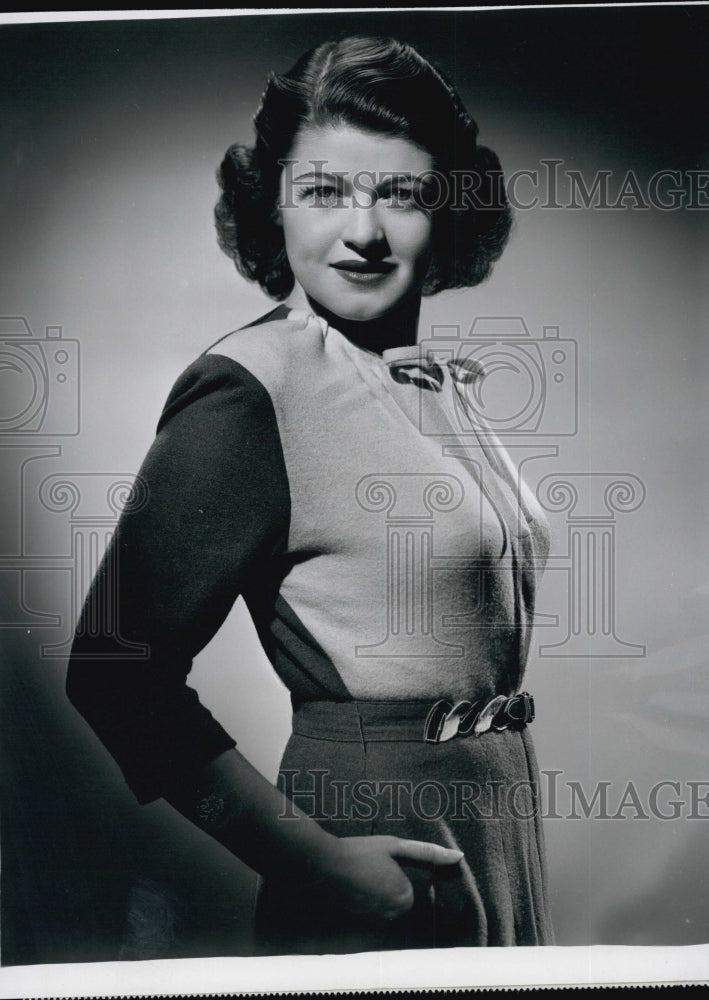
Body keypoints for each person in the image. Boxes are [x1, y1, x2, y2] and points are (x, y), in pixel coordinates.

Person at [66, 35, 554, 954]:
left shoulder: (424, 378)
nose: (361, 234)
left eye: (400, 195)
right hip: (376, 835)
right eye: (323, 192)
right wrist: (316, 864)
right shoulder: (250, 388)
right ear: (275, 207)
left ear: (444, 210)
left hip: (496, 824)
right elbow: (112, 672)